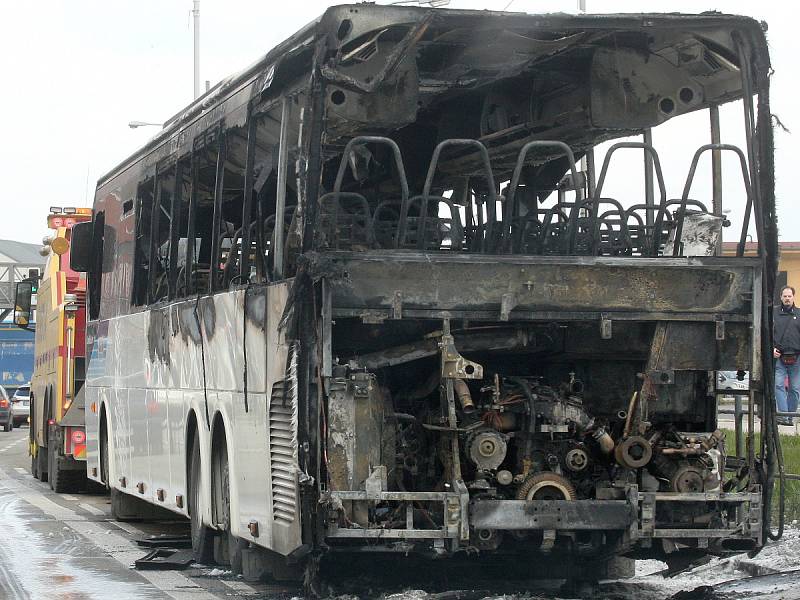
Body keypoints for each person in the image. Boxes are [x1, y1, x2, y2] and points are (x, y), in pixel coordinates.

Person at [774, 285, 800, 426]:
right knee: (778, 385)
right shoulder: (774, 313)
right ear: (781, 297)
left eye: (789, 296)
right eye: (785, 296)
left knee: (795, 389)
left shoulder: (799, 313)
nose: (787, 298)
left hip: (796, 358)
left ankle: (789, 417)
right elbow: (768, 333)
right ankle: (783, 416)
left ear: (793, 297)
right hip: (780, 357)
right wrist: (772, 348)